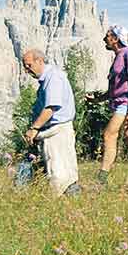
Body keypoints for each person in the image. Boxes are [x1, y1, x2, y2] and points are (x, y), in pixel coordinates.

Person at [90, 25, 128, 185]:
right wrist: (97, 100)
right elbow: (115, 88)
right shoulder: (119, 56)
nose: (105, 38)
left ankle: (101, 179)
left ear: (116, 39)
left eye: (108, 36)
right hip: (121, 103)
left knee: (109, 135)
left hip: (126, 104)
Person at [21, 49, 81, 196]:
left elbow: (51, 107)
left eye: (29, 65)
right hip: (51, 131)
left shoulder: (53, 77)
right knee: (59, 171)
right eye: (25, 66)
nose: (26, 70)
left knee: (59, 173)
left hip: (57, 131)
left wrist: (34, 128)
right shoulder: (48, 79)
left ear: (39, 61)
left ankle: (63, 206)